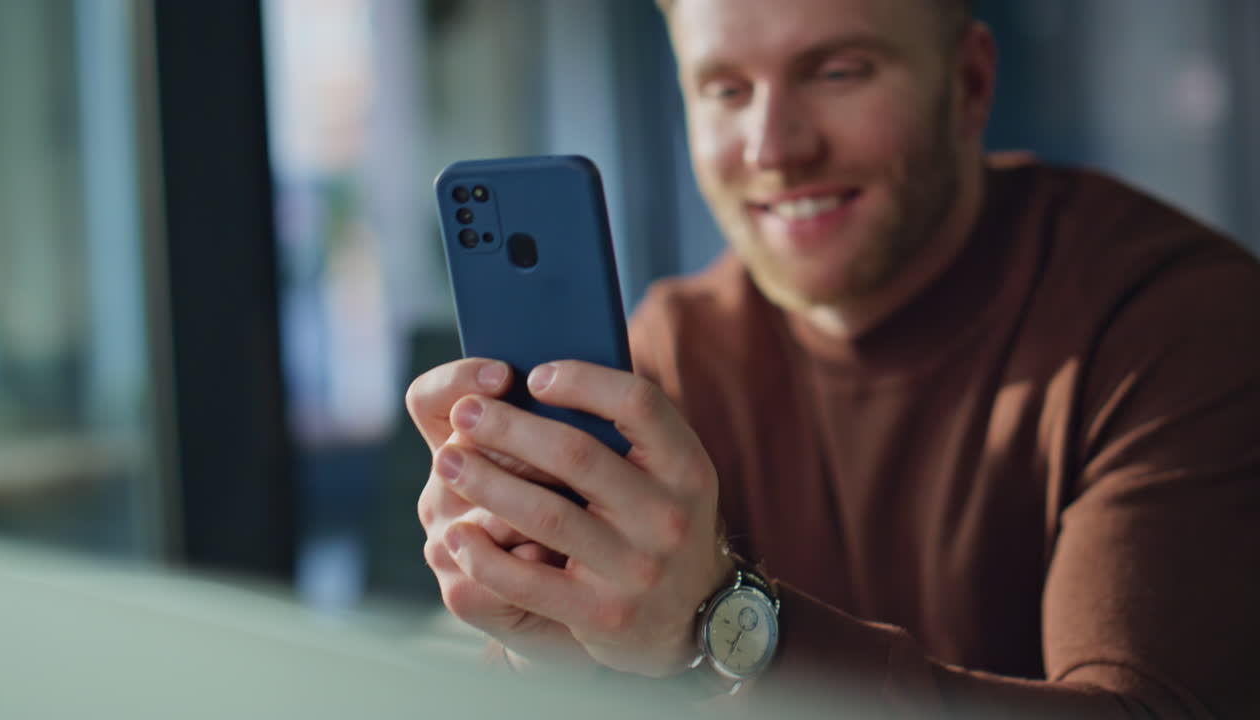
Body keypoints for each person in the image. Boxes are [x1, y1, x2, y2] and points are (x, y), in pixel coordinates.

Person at [408, 0, 1260, 716]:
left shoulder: (1176, 319)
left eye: (837, 72)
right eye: (727, 88)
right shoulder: (674, 351)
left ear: (967, 84)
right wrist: (549, 633)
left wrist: (722, 626)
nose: (774, 147)